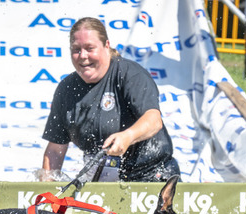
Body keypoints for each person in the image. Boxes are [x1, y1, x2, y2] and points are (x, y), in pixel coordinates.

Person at [39, 17, 180, 182]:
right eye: (76, 49)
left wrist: (128, 136)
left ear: (106, 45)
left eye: (90, 48)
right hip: (104, 181)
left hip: (153, 174)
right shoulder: (66, 90)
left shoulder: (130, 74)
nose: (83, 56)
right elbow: (55, 150)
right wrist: (46, 188)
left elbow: (154, 121)